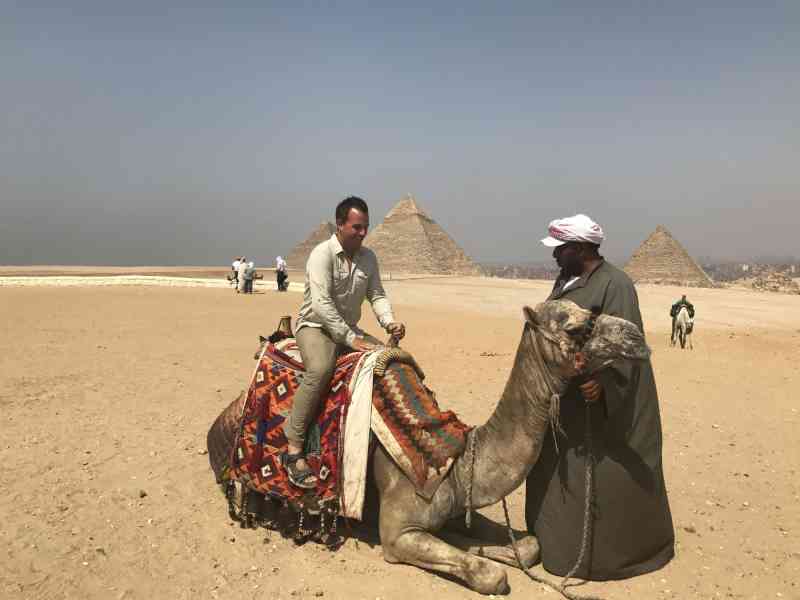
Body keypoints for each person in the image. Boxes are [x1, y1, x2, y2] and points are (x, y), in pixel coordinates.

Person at [524, 214, 674, 580]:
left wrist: (605, 382)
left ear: (578, 248)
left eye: (560, 249)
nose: (555, 255)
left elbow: (626, 343)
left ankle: (609, 557)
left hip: (600, 404)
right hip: (565, 398)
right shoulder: (568, 280)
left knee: (605, 481)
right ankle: (551, 542)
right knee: (555, 472)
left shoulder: (615, 285)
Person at [281, 196, 406, 489]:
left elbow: (376, 294)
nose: (363, 233)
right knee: (321, 369)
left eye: (366, 227)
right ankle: (294, 448)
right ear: (340, 225)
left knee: (391, 360)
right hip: (316, 327)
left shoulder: (369, 258)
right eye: (357, 227)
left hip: (349, 327)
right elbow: (322, 305)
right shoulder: (321, 255)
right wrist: (350, 339)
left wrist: (389, 322)